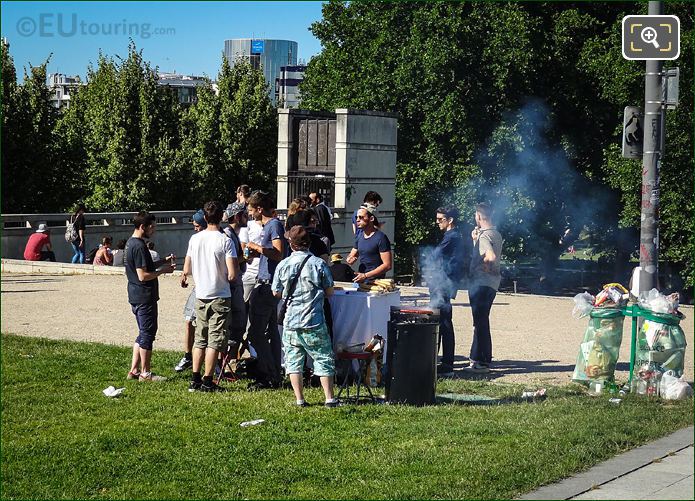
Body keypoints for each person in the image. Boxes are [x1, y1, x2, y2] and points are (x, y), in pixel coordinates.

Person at [272, 225, 339, 407]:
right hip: (314, 320)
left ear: (291, 244)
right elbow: (330, 291)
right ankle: (329, 398)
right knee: (323, 357)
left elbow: (276, 293)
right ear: (308, 243)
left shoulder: (283, 265)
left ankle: (299, 399)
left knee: (293, 360)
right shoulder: (319, 263)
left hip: (291, 322)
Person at [181, 201, 239, 392]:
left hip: (201, 293)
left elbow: (187, 268)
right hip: (220, 294)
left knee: (200, 338)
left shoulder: (195, 239)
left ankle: (195, 378)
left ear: (205, 218)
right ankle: (208, 380)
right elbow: (232, 274)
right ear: (221, 216)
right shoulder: (225, 241)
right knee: (215, 339)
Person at [125, 211, 176, 382]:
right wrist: (163, 271)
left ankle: (133, 370)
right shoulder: (139, 246)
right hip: (144, 296)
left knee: (142, 333)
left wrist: (163, 261)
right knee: (147, 334)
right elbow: (143, 275)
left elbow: (146, 266)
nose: (154, 230)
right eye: (151, 227)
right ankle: (145, 373)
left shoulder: (131, 243)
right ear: (142, 227)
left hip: (136, 295)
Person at [244, 191, 286, 390]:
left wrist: (257, 248)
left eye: (251, 210)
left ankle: (268, 374)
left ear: (260, 209)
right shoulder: (270, 225)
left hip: (268, 285)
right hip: (268, 282)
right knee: (270, 333)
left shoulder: (274, 225)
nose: (250, 214)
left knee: (256, 333)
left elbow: (278, 253)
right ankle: (274, 374)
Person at [429, 206, 468, 378]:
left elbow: (435, 255)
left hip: (443, 284)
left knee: (444, 322)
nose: (437, 222)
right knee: (441, 321)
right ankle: (440, 360)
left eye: (440, 219)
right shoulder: (452, 236)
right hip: (443, 282)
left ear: (450, 220)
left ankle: (447, 364)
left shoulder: (452, 236)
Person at [465, 202, 503, 374]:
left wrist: (485, 268)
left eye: (475, 216)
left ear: (479, 216)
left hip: (481, 283)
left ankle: (480, 362)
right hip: (492, 284)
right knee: (482, 321)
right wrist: (475, 241)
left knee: (479, 322)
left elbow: (490, 256)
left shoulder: (485, 236)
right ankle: (481, 358)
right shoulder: (496, 234)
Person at [174, 209, 207, 373]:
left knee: (206, 327)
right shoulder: (194, 239)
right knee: (188, 321)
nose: (194, 228)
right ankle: (188, 355)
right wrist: (185, 273)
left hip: (212, 289)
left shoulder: (218, 237)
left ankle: (211, 361)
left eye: (196, 225)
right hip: (198, 287)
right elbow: (189, 257)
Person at [222, 202, 249, 363]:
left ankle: (231, 359)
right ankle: (227, 360)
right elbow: (229, 261)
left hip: (235, 283)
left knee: (238, 323)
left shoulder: (233, 234)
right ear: (237, 217)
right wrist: (246, 257)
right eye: (245, 215)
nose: (247, 218)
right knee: (236, 323)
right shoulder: (228, 235)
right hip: (232, 284)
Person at [346, 205, 392, 282]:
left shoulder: (381, 238)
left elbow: (387, 265)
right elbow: (352, 255)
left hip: (376, 282)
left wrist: (366, 275)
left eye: (361, 217)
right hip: (361, 280)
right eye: (356, 217)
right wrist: (350, 259)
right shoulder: (360, 236)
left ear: (371, 219)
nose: (357, 220)